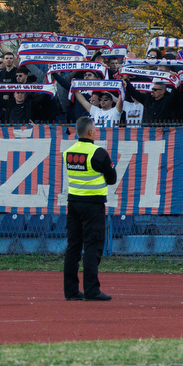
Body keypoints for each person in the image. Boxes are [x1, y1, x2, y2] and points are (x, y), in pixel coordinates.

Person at [62, 116, 118, 301]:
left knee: (73, 247)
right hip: (93, 205)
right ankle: (91, 290)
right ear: (90, 132)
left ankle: (70, 291)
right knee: (92, 246)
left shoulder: (68, 152)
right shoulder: (98, 153)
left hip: (74, 203)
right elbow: (112, 178)